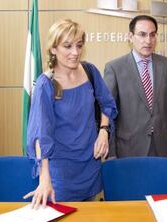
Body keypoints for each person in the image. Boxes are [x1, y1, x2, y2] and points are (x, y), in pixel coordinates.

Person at [23, 19, 117, 207]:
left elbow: (107, 103)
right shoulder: (45, 84)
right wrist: (44, 179)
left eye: (79, 45)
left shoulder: (90, 71)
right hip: (61, 175)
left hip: (91, 168)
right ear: (53, 49)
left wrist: (104, 131)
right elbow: (42, 136)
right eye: (67, 46)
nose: (75, 53)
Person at [103, 15, 167, 164]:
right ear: (130, 36)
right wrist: (111, 153)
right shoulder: (115, 68)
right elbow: (108, 114)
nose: (148, 40)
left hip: (161, 147)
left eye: (152, 34)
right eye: (142, 34)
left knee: (160, 188)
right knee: (130, 188)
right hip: (128, 149)